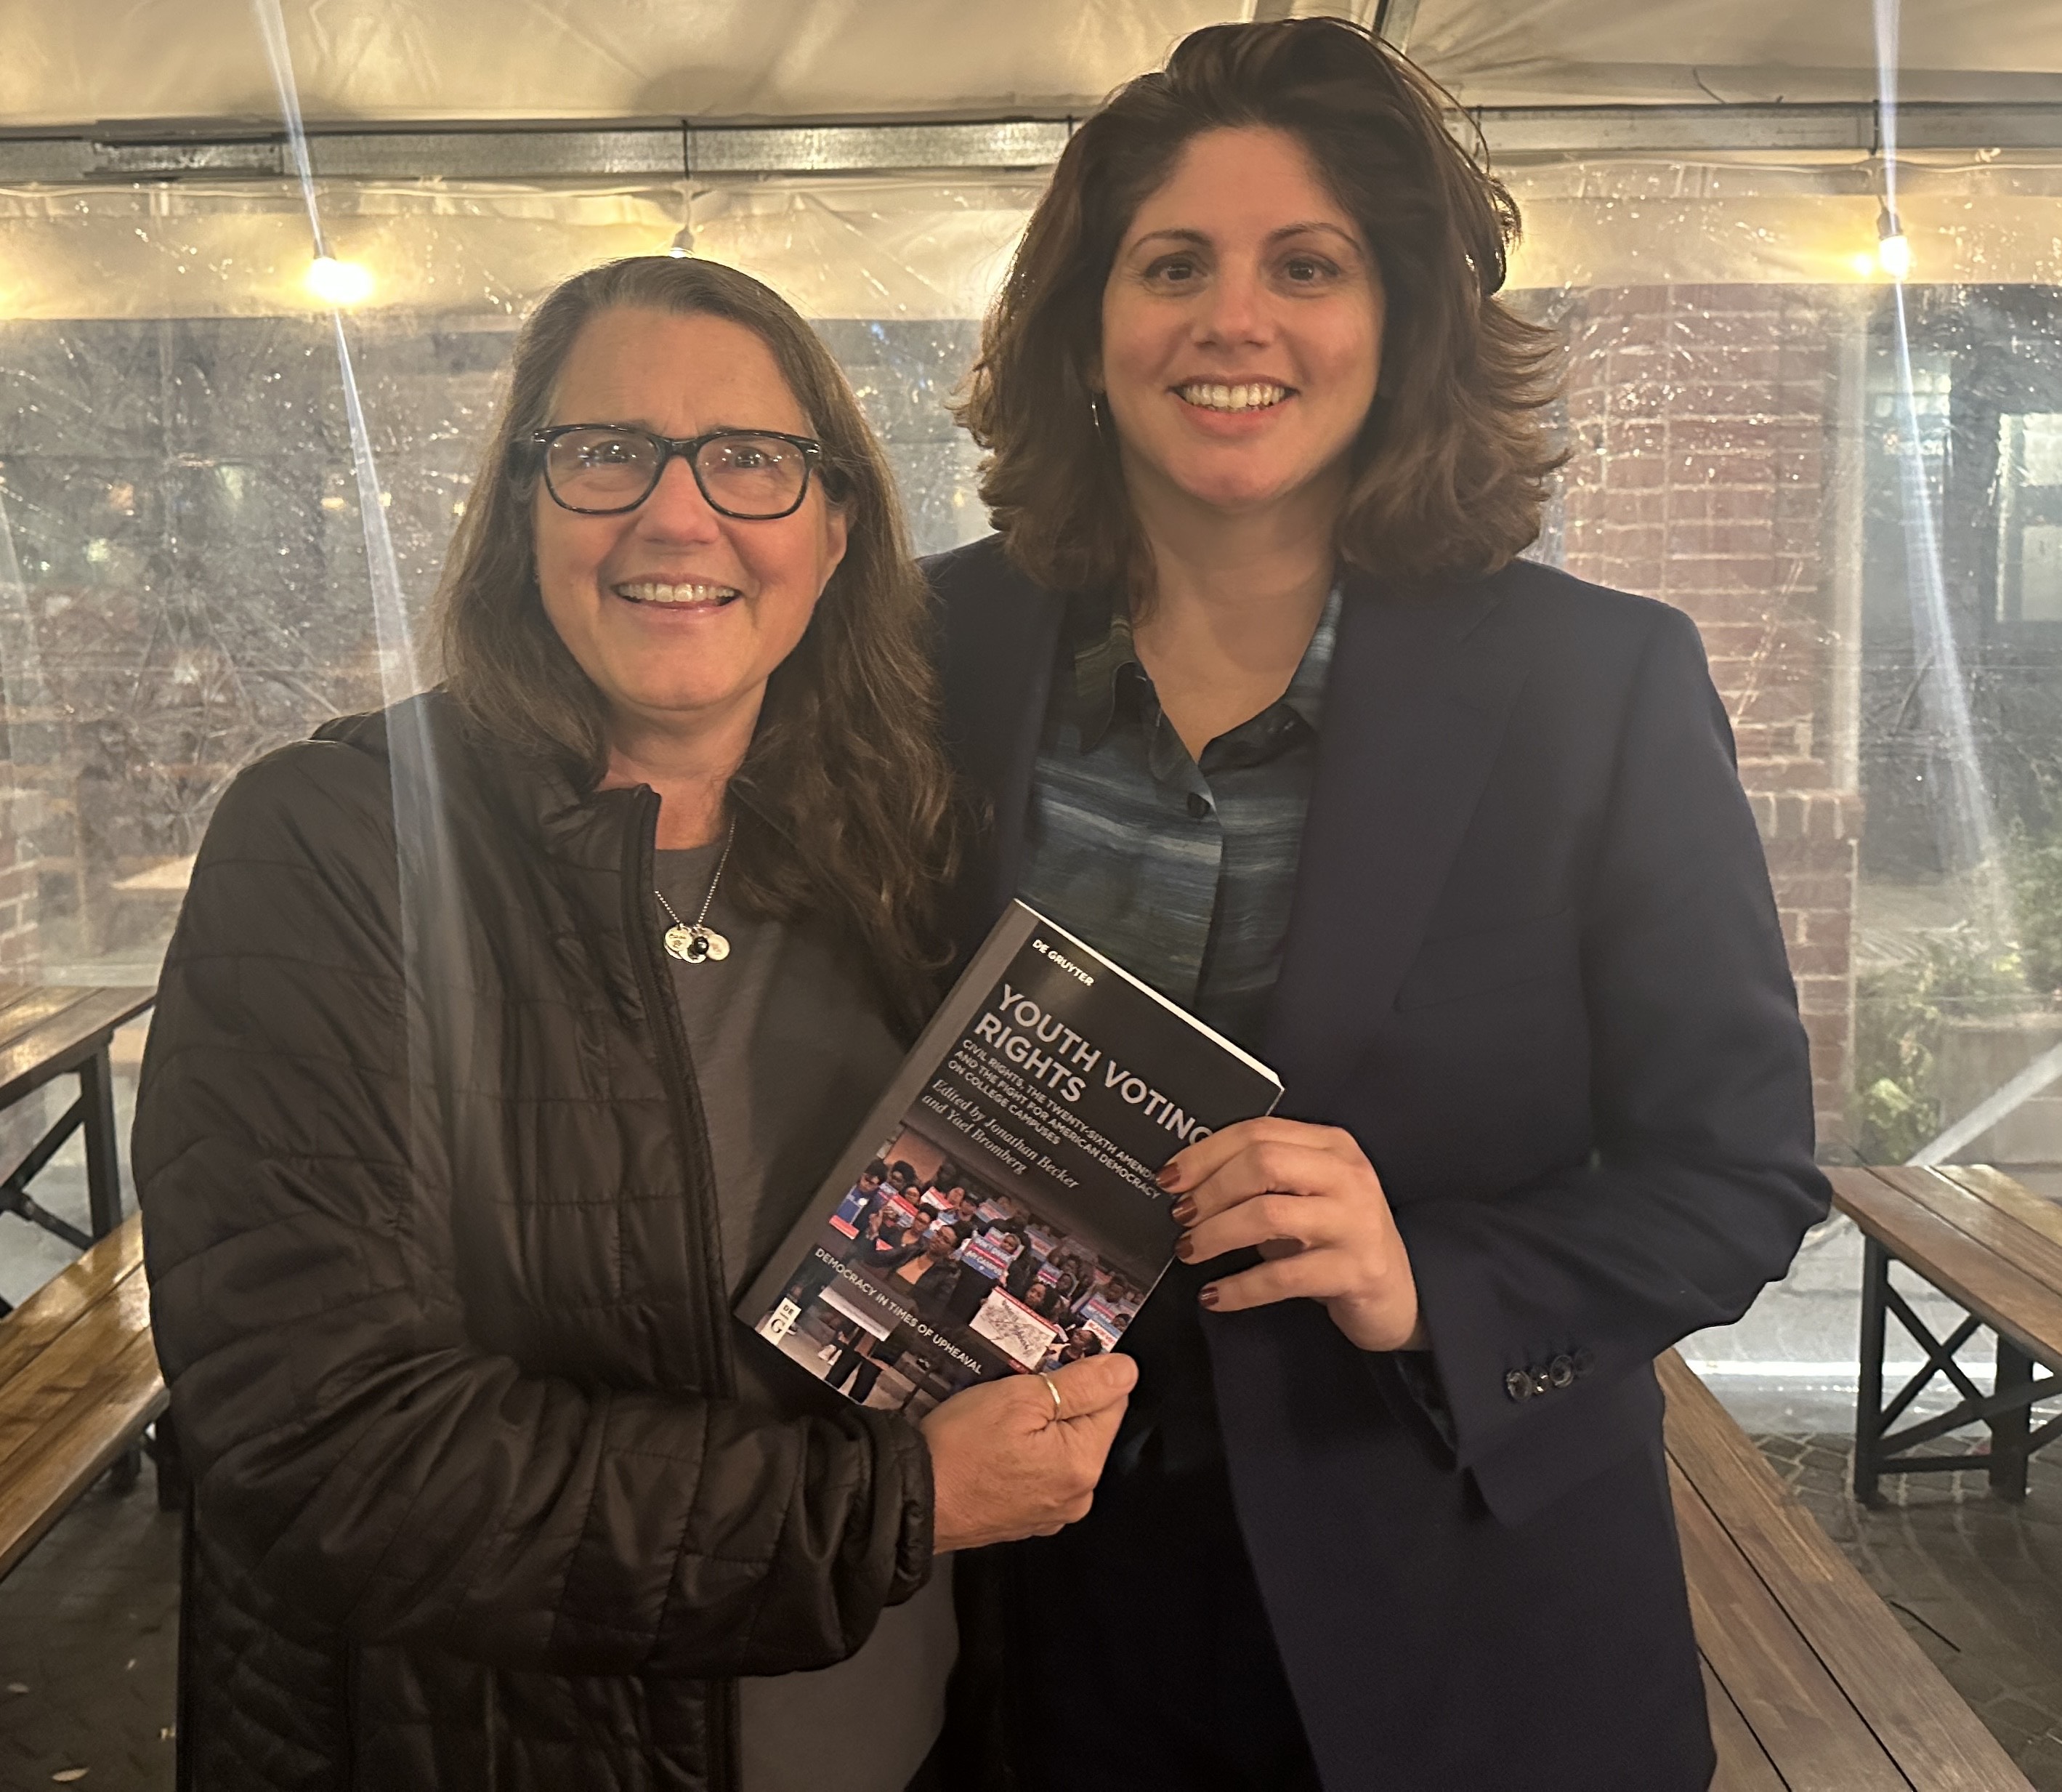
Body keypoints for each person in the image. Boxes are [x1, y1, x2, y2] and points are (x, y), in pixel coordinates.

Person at [929, 20, 1827, 1791]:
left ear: (1404, 322)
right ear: (1083, 328)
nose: (1232, 320)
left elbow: (1737, 1175)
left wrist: (1434, 1280)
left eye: (1308, 266)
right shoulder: (924, 650)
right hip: (1028, 1606)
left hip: (1459, 1615)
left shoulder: (1598, 687)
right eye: (1171, 264)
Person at [136, 254, 1137, 1792]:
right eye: (607, 452)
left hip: (911, 1739)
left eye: (752, 458)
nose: (679, 516)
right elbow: (326, 1443)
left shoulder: (899, 846)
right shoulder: (335, 846)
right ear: (522, 507)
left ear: (836, 529)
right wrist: (897, 1505)